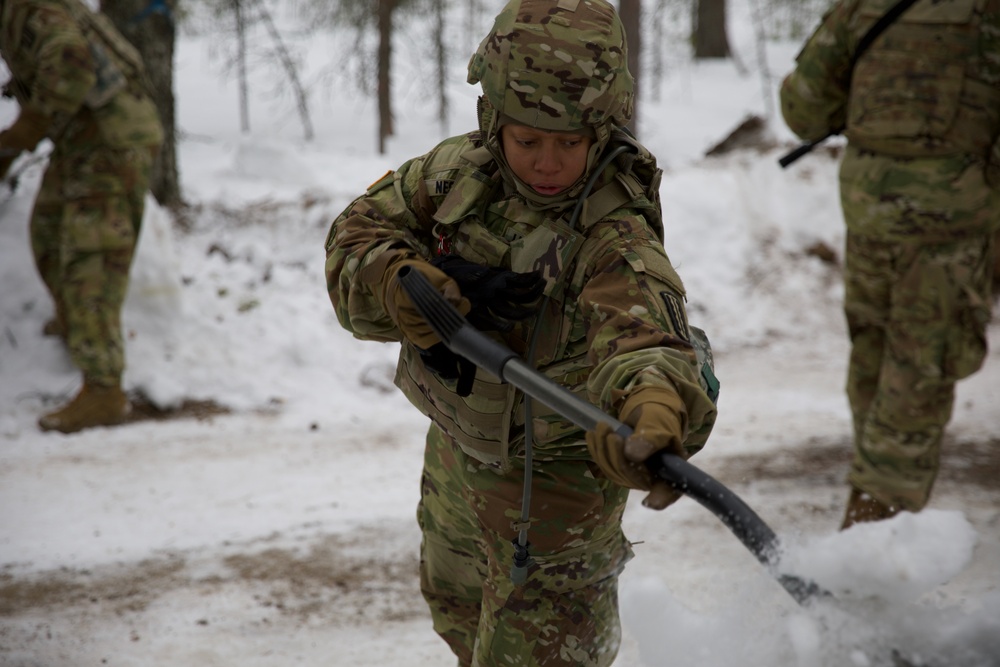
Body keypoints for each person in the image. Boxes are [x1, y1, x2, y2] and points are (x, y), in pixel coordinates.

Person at [324, 1, 719, 664]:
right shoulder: (457, 174)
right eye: (527, 139)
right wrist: (402, 279)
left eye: (569, 142)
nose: (546, 161)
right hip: (458, 451)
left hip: (555, 499)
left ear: (600, 130)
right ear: (494, 122)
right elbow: (357, 232)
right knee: (455, 615)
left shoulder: (612, 233)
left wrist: (654, 408)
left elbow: (645, 335)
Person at [779, 0, 999, 529]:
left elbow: (803, 107)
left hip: (871, 210)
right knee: (920, 367)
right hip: (951, 218)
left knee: (876, 363)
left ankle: (875, 512)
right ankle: (876, 530)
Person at [0, 0, 163, 433]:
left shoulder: (29, 9)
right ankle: (82, 333)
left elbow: (72, 64)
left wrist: (23, 134)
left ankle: (104, 388)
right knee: (49, 235)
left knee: (90, 263)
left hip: (110, 142)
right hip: (83, 141)